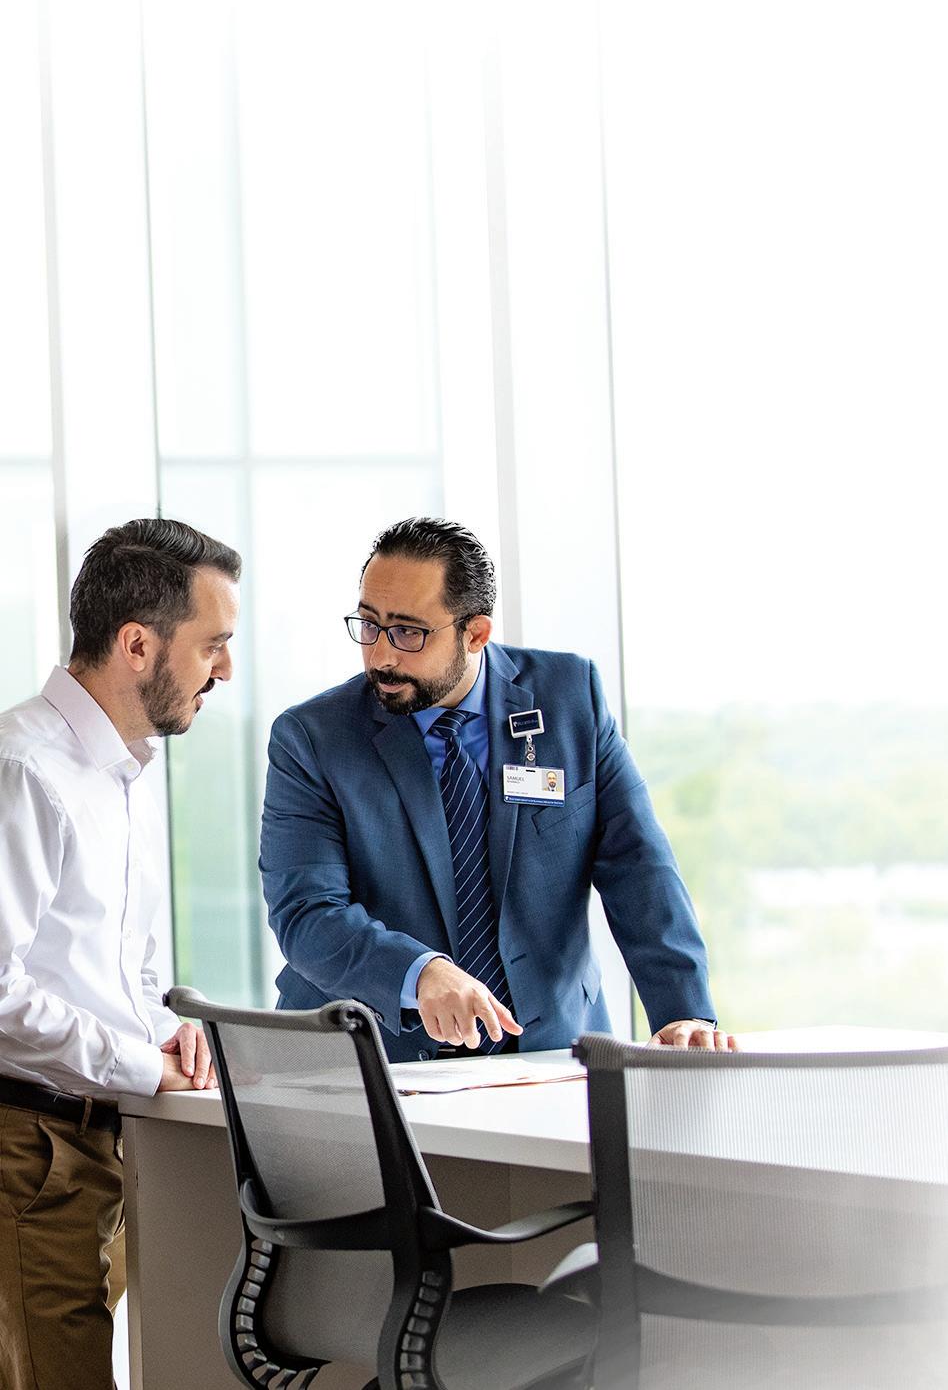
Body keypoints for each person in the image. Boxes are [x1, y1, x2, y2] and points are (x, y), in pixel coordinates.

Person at [262, 516, 733, 1060]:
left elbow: (638, 865)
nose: (381, 655)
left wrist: (683, 1011)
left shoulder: (569, 699)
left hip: (549, 1049)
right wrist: (419, 974)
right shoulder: (312, 738)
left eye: (408, 632)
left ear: (476, 633)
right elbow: (308, 912)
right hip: (375, 1058)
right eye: (368, 624)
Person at [0, 517, 241, 1390]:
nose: (226, 670)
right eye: (212, 644)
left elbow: (112, 959)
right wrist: (141, 1062)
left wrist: (163, 1032)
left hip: (104, 1139)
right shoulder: (25, 768)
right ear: (137, 644)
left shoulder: (121, 770)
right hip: (33, 1148)